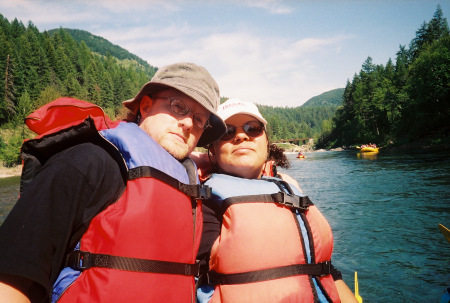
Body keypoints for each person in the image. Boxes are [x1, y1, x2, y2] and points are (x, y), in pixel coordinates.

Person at [0, 62, 226, 302]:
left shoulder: (195, 198)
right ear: (146, 106)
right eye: (178, 106)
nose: (189, 123)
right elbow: (12, 280)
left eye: (200, 119)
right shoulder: (88, 162)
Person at [194, 98, 358, 302]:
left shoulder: (291, 190)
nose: (241, 136)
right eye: (227, 131)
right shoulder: (204, 203)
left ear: (266, 142)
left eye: (252, 128)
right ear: (213, 150)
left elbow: (325, 268)